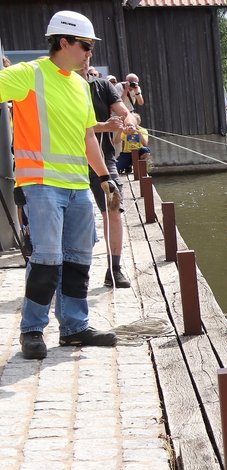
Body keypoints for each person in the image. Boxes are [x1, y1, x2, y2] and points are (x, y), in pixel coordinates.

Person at [0, 10, 120, 359]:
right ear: (63, 42)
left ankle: (73, 328)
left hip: (77, 186)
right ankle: (32, 330)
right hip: (39, 184)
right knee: (48, 258)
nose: (89, 53)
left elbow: (87, 137)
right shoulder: (28, 74)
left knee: (79, 258)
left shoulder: (81, 85)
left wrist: (105, 177)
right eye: (85, 45)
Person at [81, 65, 137, 288]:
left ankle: (114, 268)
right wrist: (104, 126)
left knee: (113, 208)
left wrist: (129, 122)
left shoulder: (103, 86)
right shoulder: (59, 85)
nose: (87, 55)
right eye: (83, 47)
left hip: (104, 159)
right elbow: (69, 125)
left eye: (90, 49)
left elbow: (126, 111)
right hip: (69, 161)